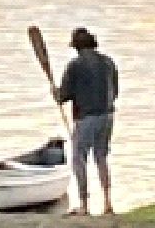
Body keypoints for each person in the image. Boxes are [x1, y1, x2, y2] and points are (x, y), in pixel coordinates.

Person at [53, 27, 118, 216]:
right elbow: (115, 91)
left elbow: (63, 96)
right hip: (107, 115)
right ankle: (107, 202)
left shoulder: (74, 65)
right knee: (101, 158)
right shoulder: (108, 62)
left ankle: (84, 205)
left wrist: (56, 93)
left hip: (86, 118)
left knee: (79, 158)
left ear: (76, 47)